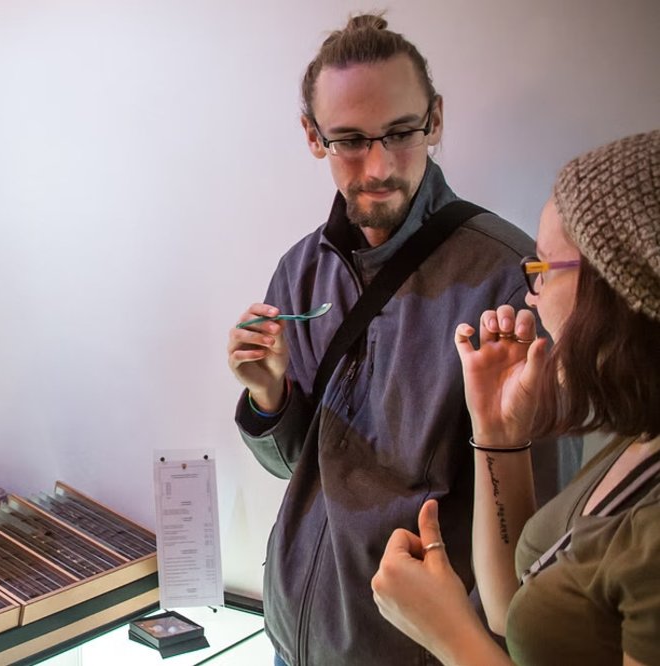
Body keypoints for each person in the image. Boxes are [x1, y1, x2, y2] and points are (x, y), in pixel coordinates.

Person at [227, 15, 560, 665]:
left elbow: (539, 548)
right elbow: (298, 469)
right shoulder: (302, 268)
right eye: (350, 140)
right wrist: (269, 398)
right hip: (292, 642)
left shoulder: (510, 282)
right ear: (312, 136)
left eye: (401, 133)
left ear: (434, 120)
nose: (378, 166)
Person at [371, 130, 660, 664]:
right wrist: (498, 435)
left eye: (543, 270)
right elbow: (516, 609)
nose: (531, 294)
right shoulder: (638, 445)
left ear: (619, 291)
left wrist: (449, 635)